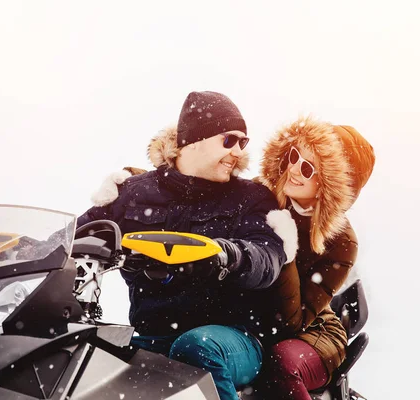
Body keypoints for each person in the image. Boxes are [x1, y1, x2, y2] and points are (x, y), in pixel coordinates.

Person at [77, 91, 287, 399]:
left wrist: (226, 255)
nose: (237, 152)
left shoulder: (251, 198)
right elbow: (77, 235)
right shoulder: (134, 194)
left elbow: (268, 258)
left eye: (243, 142)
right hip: (150, 336)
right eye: (229, 140)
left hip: (232, 339)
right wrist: (15, 248)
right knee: (89, 356)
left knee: (196, 347)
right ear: (195, 139)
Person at [255, 117, 375, 398]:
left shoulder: (342, 241)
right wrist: (138, 190)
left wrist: (285, 250)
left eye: (309, 168)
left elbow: (290, 324)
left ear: (331, 185)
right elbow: (204, 199)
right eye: (294, 156)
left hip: (315, 330)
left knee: (281, 362)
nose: (294, 169)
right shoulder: (261, 197)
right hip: (255, 320)